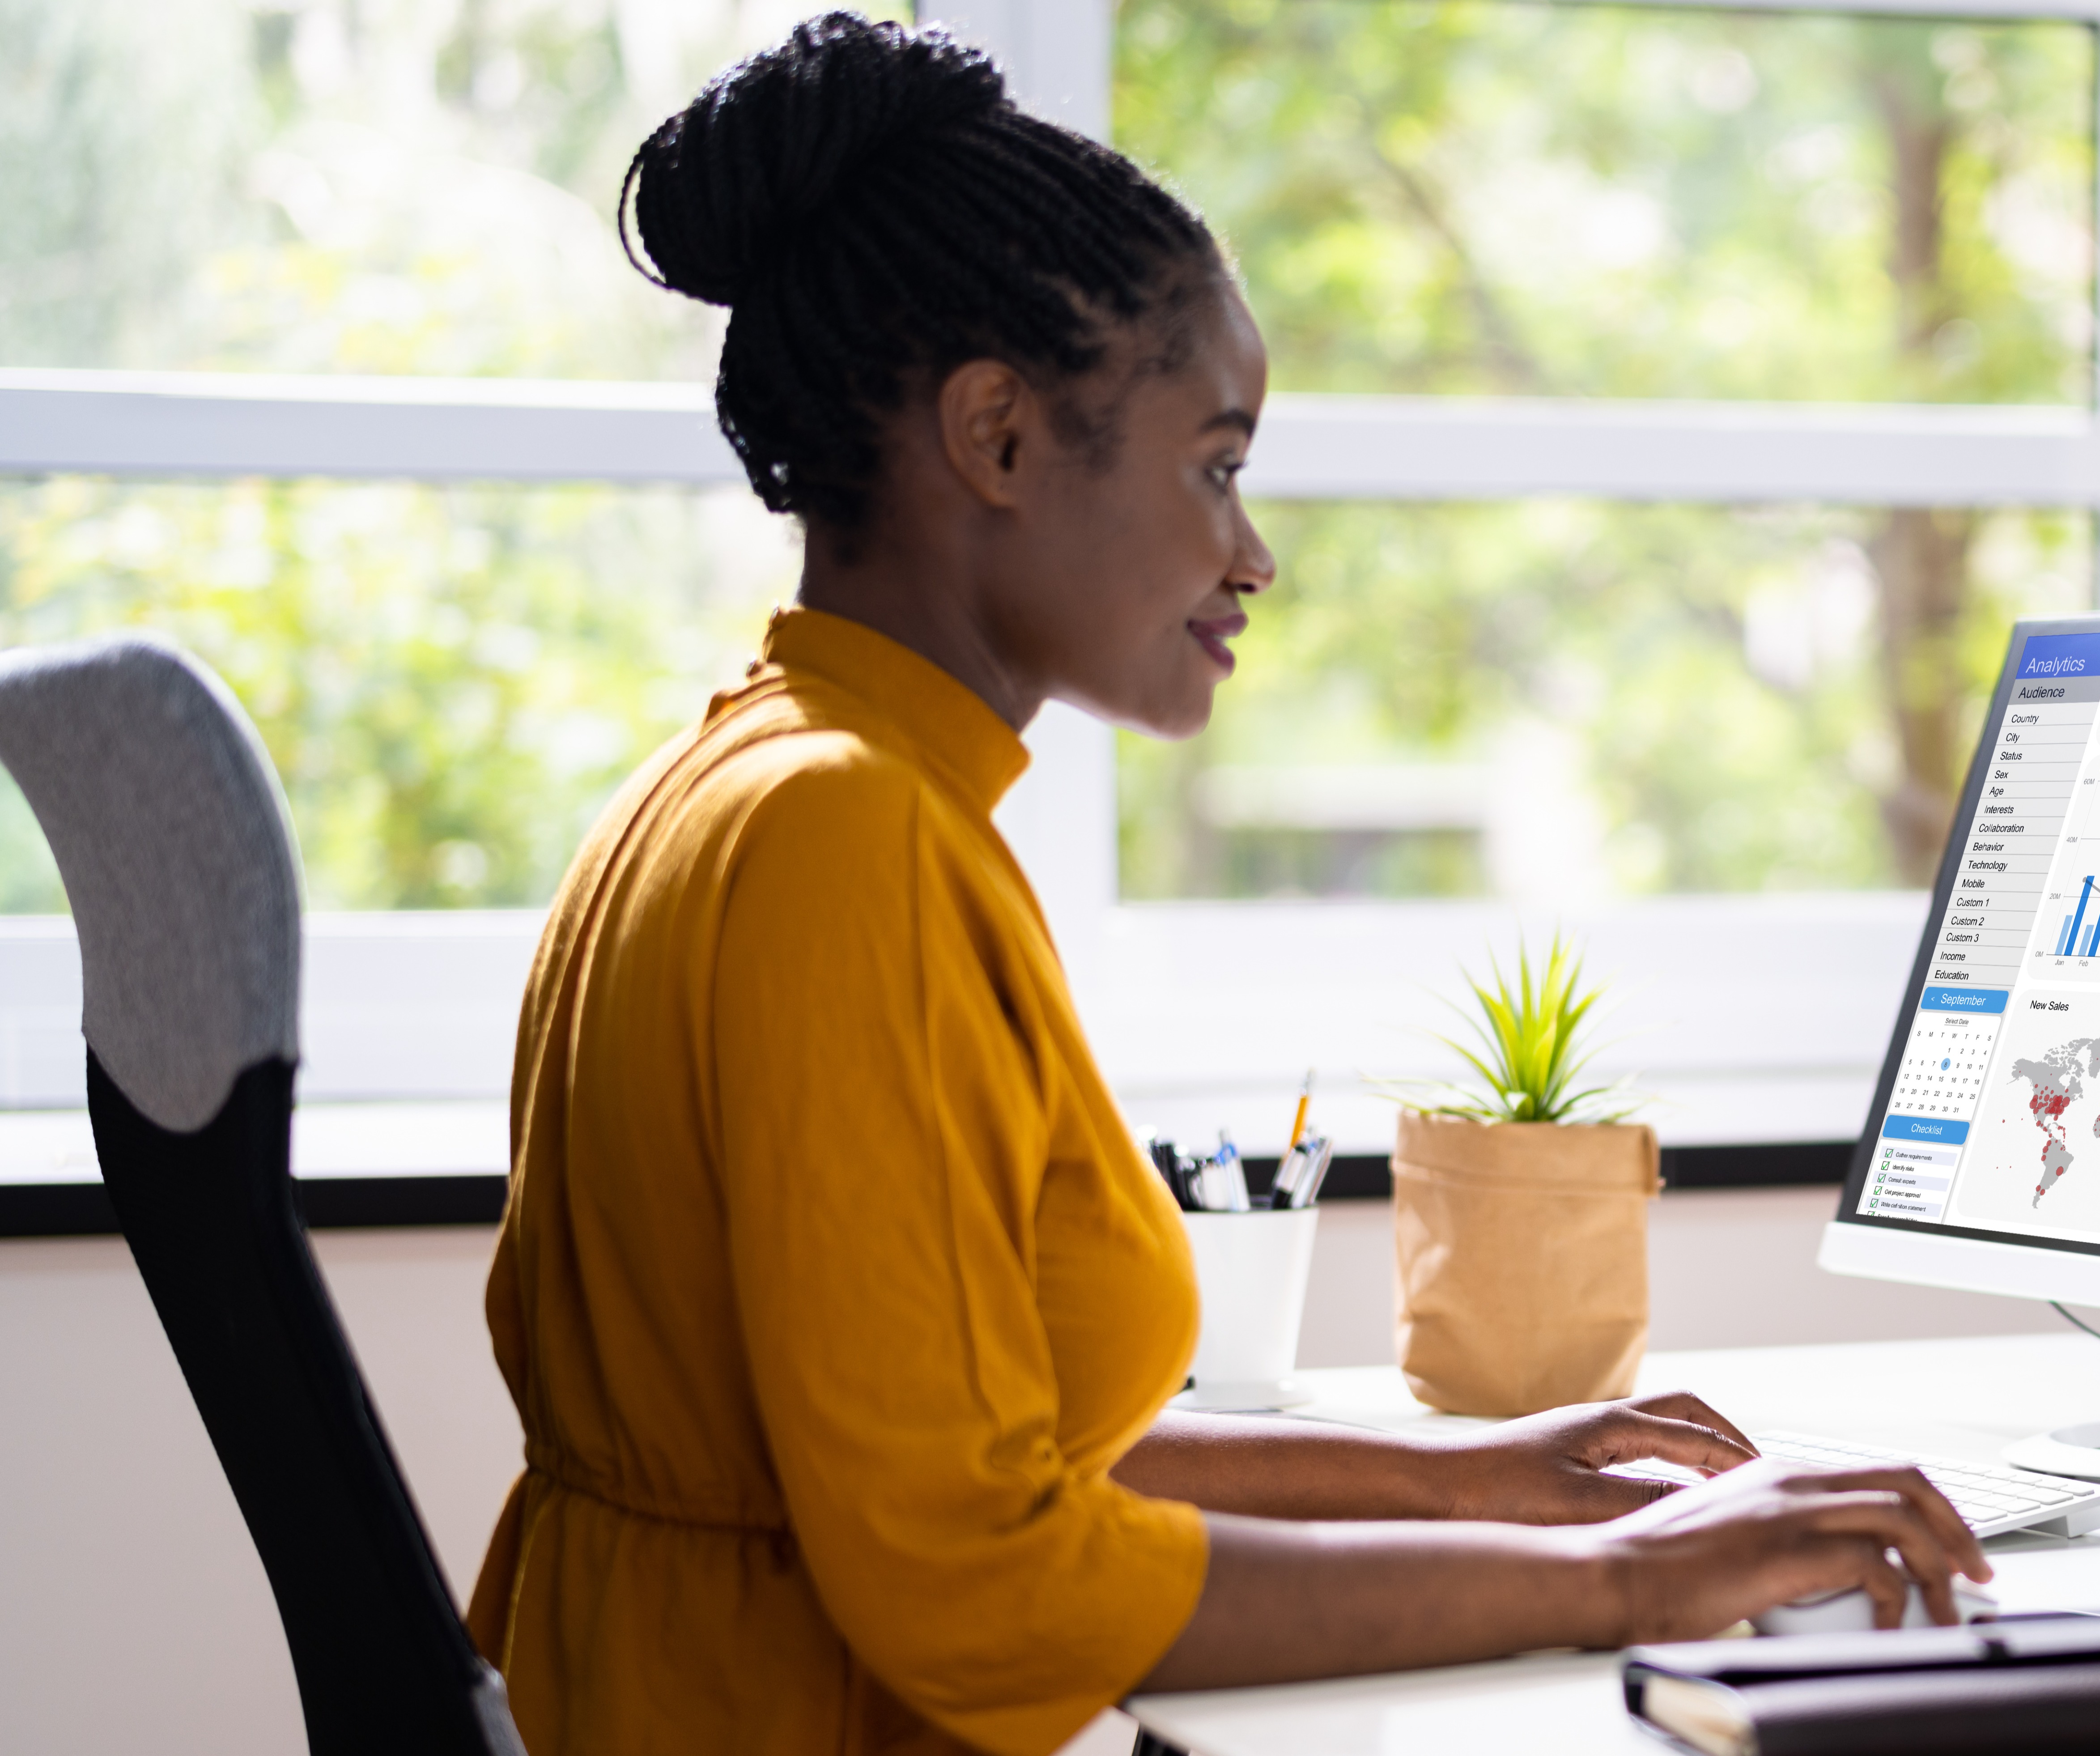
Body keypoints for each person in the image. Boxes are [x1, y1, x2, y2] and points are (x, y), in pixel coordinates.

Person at [465, 16, 1989, 1755]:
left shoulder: (742, 778)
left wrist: (1470, 1478)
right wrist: (1635, 1583)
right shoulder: (846, 841)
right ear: (1000, 435)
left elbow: (961, 1443)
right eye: (1215, 463)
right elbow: (974, 1571)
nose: (1249, 551)